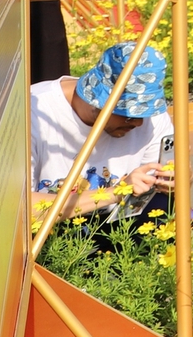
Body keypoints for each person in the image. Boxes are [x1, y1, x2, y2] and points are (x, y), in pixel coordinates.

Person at [30, 43, 175, 219]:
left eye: (145, 113)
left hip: (117, 222)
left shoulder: (151, 121)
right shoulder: (34, 114)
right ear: (96, 101)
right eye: (128, 115)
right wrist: (114, 192)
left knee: (171, 211)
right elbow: (20, 210)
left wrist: (176, 180)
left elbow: (158, 189)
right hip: (53, 230)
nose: (138, 123)